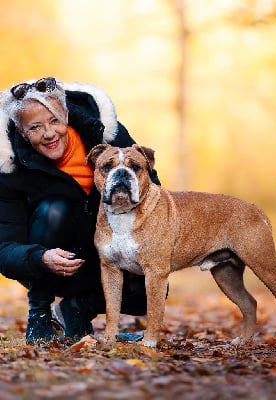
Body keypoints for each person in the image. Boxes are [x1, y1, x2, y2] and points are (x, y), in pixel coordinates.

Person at [0, 77, 161, 344]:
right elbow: (4, 248)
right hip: (53, 263)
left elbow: (150, 187)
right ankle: (39, 314)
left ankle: (77, 309)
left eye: (54, 121)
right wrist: (40, 258)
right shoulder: (8, 168)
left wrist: (141, 242)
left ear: (67, 113)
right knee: (55, 209)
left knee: (152, 287)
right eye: (36, 127)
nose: (49, 134)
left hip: (106, 253)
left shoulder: (106, 136)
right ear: (21, 130)